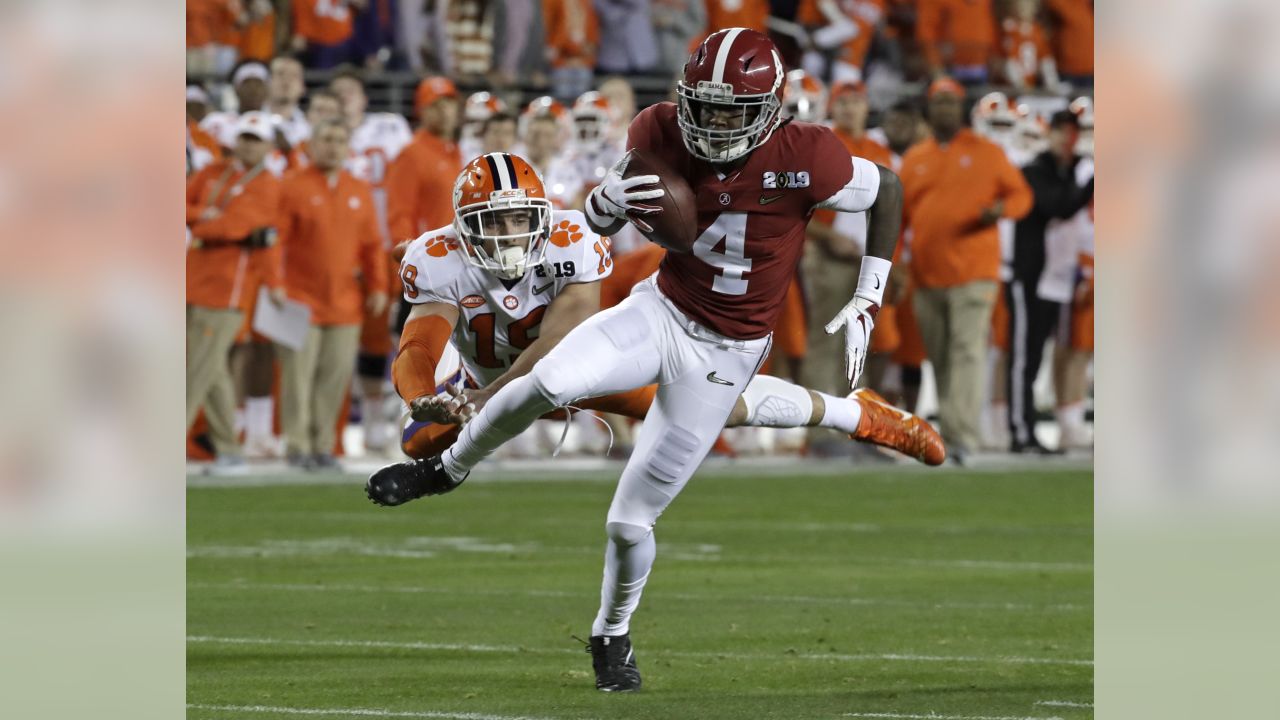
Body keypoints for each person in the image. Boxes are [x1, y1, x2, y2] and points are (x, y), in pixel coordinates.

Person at [367, 29, 940, 692]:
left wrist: (872, 286)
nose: (715, 124)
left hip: (730, 346)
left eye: (733, 111)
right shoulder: (657, 131)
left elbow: (887, 188)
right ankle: (447, 468)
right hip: (661, 309)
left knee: (629, 520)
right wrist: (604, 205)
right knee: (546, 378)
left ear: (772, 109)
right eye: (705, 106)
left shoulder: (809, 154)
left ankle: (611, 632)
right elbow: (594, 223)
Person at [387, 152, 943, 464]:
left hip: (578, 369)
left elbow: (561, 339)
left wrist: (489, 397)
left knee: (716, 406)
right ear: (461, 228)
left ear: (543, 215)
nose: (509, 236)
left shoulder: (574, 237)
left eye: (520, 219)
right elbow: (419, 345)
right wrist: (424, 398)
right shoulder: (437, 258)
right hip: (486, 381)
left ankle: (860, 414)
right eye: (493, 222)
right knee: (418, 446)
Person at [900, 77, 1033, 464]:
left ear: (961, 110)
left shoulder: (988, 152)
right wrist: (894, 267)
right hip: (926, 275)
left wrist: (1000, 211)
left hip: (975, 271)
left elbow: (1021, 196)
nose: (944, 109)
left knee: (968, 352)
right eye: (938, 102)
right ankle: (955, 433)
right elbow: (899, 217)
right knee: (941, 356)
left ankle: (963, 438)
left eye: (950, 102)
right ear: (929, 109)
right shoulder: (915, 158)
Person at [276, 119, 390, 468]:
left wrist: (379, 285)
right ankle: (297, 446)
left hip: (344, 301)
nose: (333, 146)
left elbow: (372, 245)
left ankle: (324, 445)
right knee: (297, 378)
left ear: (348, 147)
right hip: (298, 298)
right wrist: (275, 285)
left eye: (340, 139)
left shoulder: (358, 189)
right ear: (311, 144)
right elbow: (275, 241)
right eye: (326, 138)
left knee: (334, 380)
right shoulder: (292, 185)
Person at [186, 112, 284, 473]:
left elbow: (233, 226)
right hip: (192, 280)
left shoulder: (268, 184)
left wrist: (199, 220)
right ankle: (230, 451)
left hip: (228, 291)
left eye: (256, 139)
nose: (247, 144)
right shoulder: (214, 171)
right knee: (209, 372)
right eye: (244, 137)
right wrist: (203, 213)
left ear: (269, 147)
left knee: (192, 371)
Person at [331, 67, 415, 454]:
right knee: (364, 334)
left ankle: (406, 410)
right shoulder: (326, 136)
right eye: (339, 93)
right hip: (350, 244)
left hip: (392, 243)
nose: (346, 99)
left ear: (365, 97)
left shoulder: (390, 127)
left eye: (352, 91)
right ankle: (370, 413)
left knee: (401, 330)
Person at [1007, 109, 1093, 453]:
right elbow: (1059, 205)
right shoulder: (1035, 170)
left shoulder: (1068, 170)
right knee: (1024, 357)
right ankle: (1020, 431)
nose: (1066, 138)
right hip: (1030, 276)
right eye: (1060, 131)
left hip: (1056, 277)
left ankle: (1028, 429)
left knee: (1040, 356)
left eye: (1071, 132)